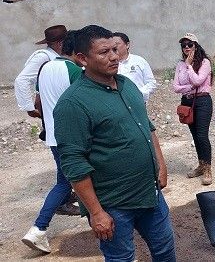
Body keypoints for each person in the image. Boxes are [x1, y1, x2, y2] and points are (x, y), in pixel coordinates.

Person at [54, 25, 176, 262]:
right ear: (82, 59)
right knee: (121, 258)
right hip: (113, 205)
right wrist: (96, 212)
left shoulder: (127, 85)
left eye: (114, 49)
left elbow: (147, 126)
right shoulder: (73, 103)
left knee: (165, 250)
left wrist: (161, 164)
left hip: (150, 193)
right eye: (103, 52)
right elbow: (73, 162)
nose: (113, 57)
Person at [22, 30, 82, 253]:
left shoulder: (45, 68)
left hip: (54, 136)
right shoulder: (74, 70)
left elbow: (38, 101)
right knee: (66, 182)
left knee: (68, 179)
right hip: (72, 136)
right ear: (78, 51)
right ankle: (38, 229)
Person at [172, 33, 214, 185]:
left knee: (202, 135)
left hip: (202, 101)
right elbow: (175, 87)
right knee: (195, 136)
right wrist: (189, 87)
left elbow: (198, 80)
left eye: (190, 44)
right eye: (184, 45)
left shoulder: (205, 62)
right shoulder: (179, 65)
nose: (186, 48)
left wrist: (189, 66)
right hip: (187, 101)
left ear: (196, 45)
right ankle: (201, 165)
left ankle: (208, 168)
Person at [15, 25, 67, 118]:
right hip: (49, 107)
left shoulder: (58, 56)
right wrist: (30, 109)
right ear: (60, 43)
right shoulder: (43, 56)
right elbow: (22, 80)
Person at [113, 32, 157, 102]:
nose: (114, 47)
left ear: (127, 45)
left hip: (137, 102)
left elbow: (151, 83)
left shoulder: (139, 61)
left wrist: (138, 93)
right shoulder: (110, 64)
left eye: (117, 44)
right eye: (112, 45)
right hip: (117, 103)